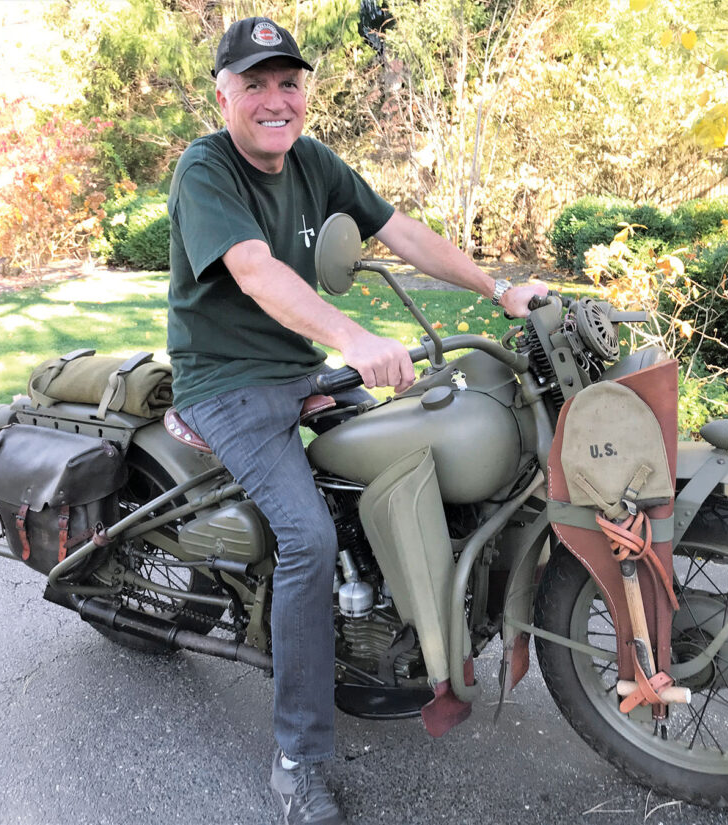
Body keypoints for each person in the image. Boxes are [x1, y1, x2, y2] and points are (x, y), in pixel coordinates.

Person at [167, 16, 546, 825]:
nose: (276, 99)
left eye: (288, 82)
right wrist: (351, 334)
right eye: (256, 83)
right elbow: (256, 271)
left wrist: (498, 291)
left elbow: (399, 230)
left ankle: (393, 629)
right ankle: (298, 758)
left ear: (305, 92)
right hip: (227, 381)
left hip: (301, 370)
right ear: (224, 93)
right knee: (310, 537)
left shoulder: (313, 162)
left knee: (411, 454)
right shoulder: (205, 169)